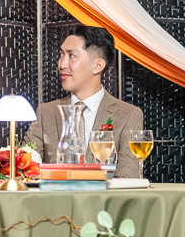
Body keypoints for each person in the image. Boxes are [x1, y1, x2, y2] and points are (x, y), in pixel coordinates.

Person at [24, 25, 144, 178]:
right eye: (61, 55)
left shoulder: (127, 115)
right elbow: (25, 170)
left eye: (71, 56)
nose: (62, 64)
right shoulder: (46, 112)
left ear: (98, 65)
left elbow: (128, 179)